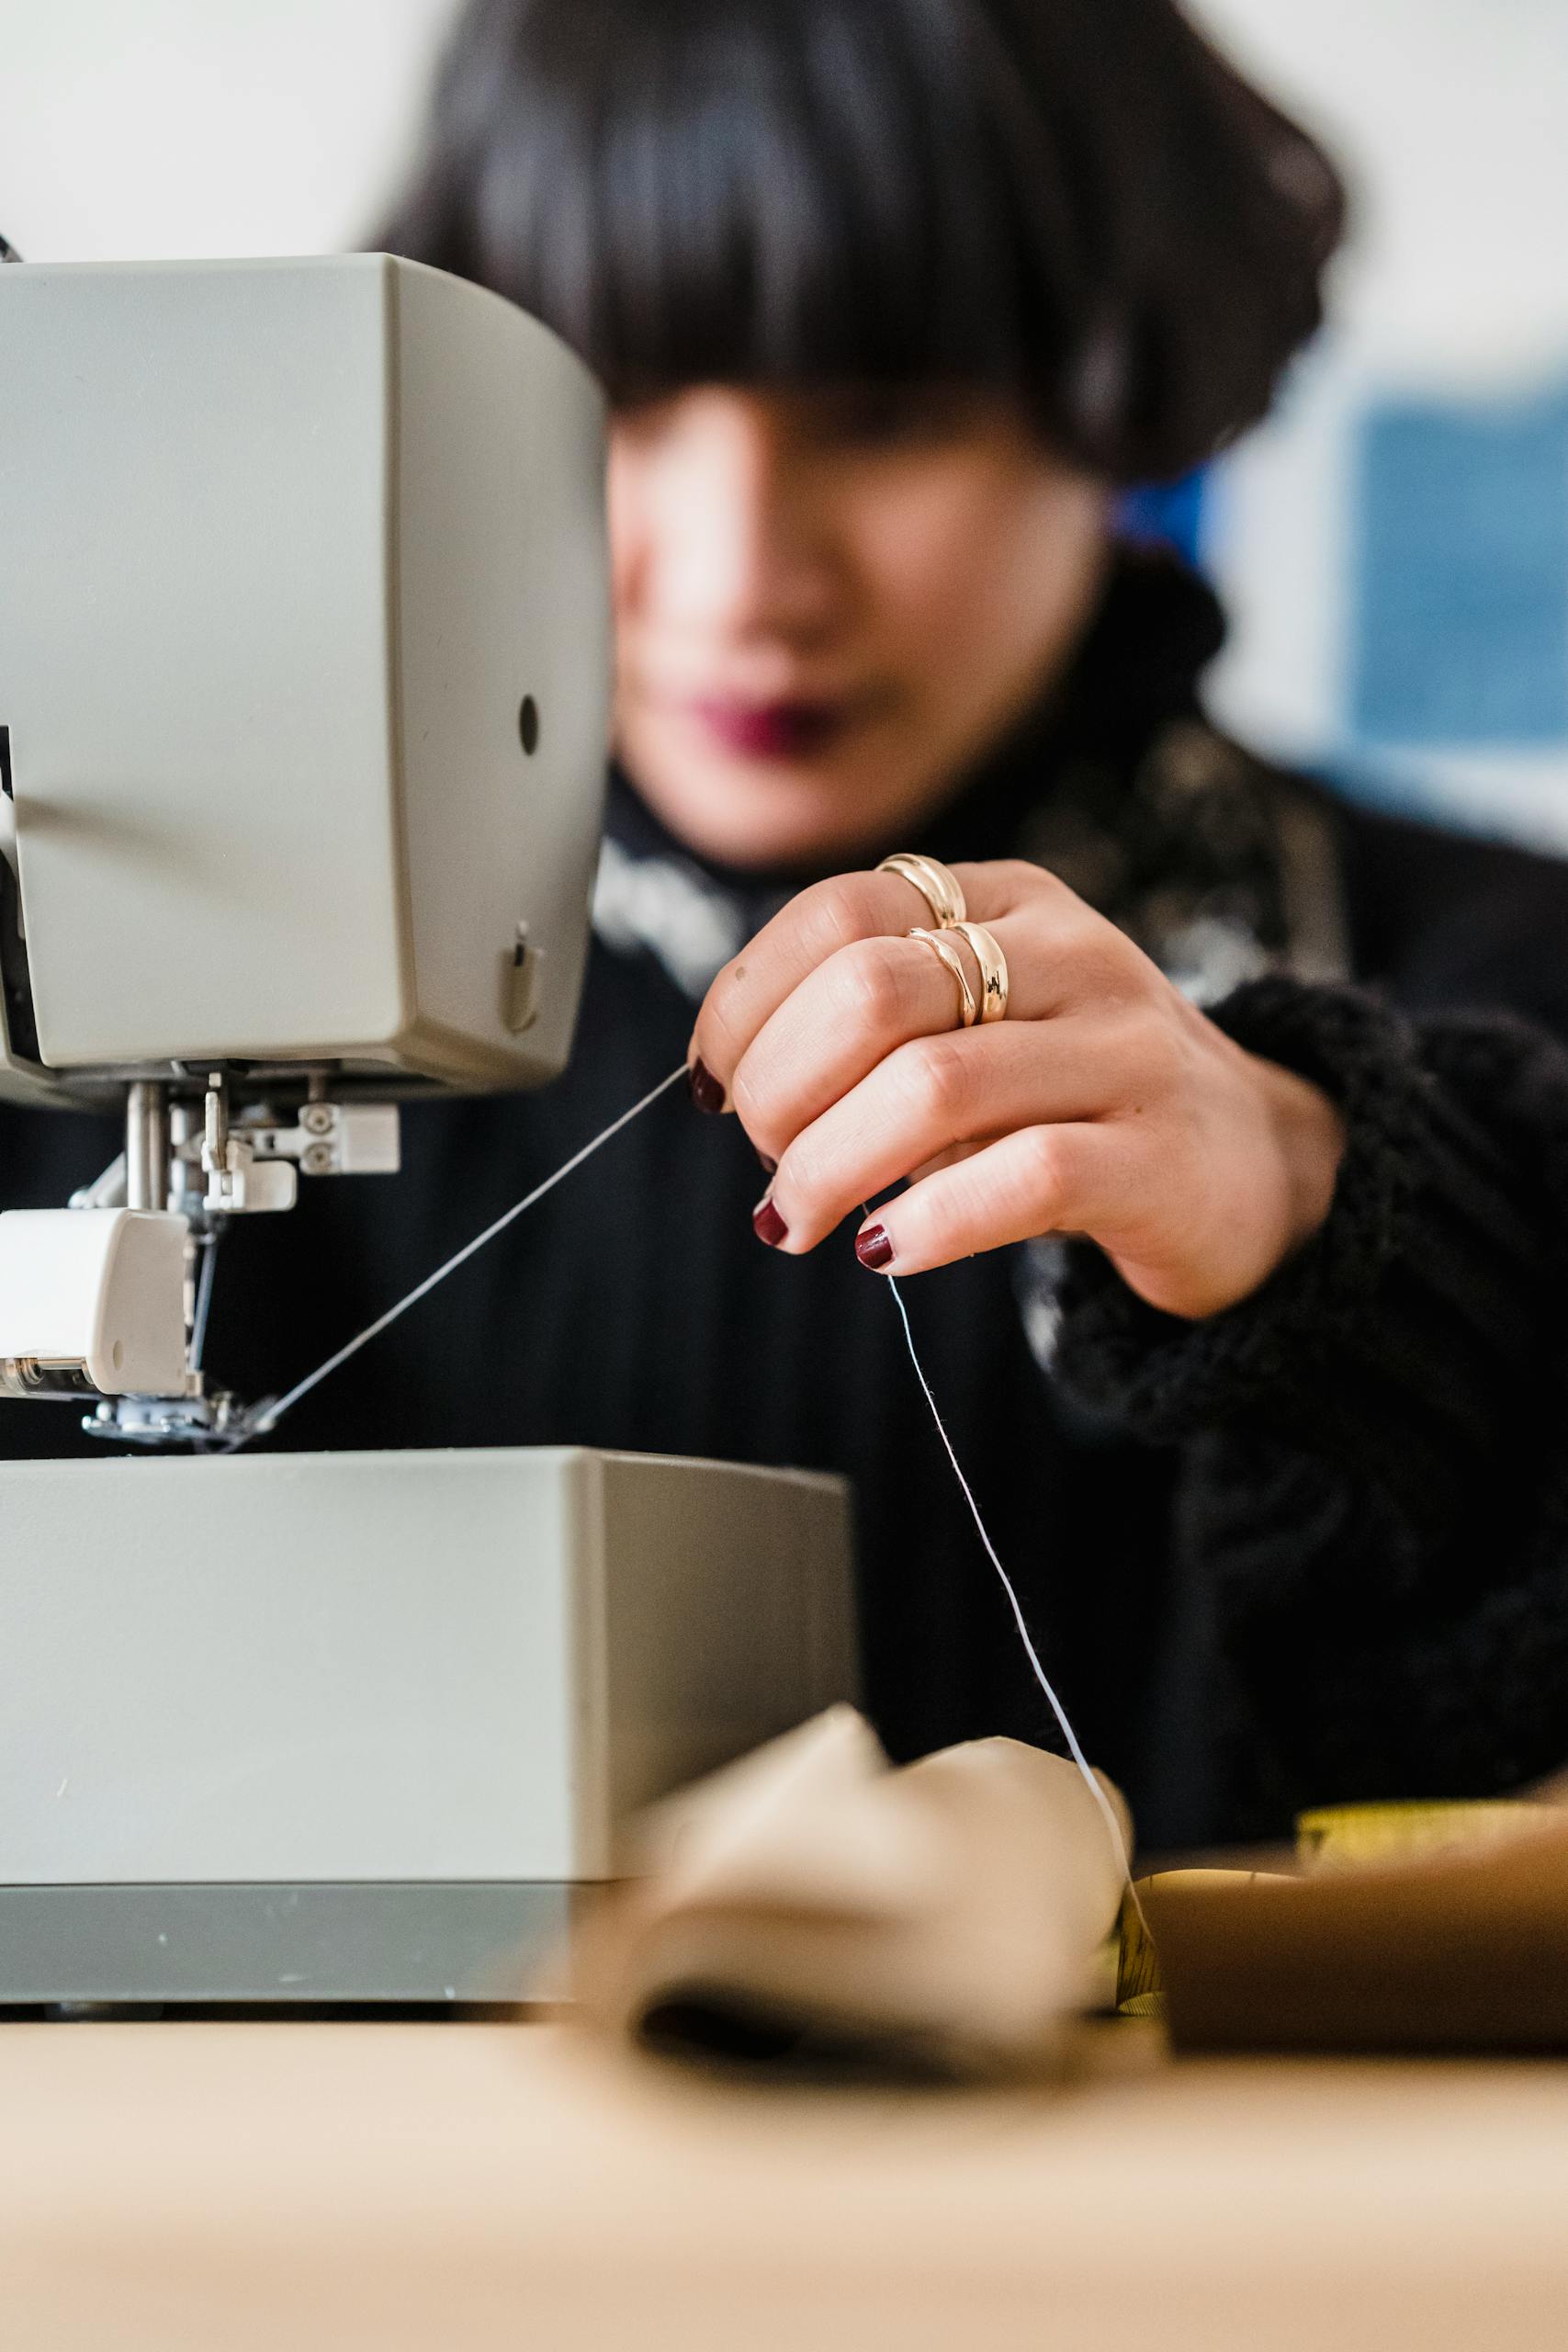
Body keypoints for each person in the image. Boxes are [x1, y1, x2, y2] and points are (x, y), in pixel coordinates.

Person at [6, 0, 1568, 1846]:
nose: (741, 571)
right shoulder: (188, 937)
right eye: (611, 402)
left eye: (885, 416)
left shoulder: (1490, 976)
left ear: (1118, 384)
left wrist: (1345, 1226)